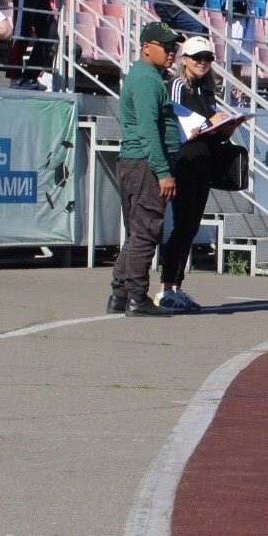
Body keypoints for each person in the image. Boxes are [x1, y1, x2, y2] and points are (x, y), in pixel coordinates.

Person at [156, 36, 239, 312]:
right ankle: (166, 287)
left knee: (190, 226)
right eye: (197, 58)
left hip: (202, 162)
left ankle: (176, 286)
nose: (203, 63)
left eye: (208, 58)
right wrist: (209, 121)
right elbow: (181, 121)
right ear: (185, 60)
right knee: (182, 225)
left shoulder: (207, 89)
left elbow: (206, 130)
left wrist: (225, 128)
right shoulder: (178, 85)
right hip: (184, 163)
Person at [109, 23, 183, 317]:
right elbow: (148, 130)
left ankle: (120, 294)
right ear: (146, 46)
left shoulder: (146, 77)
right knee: (146, 232)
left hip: (136, 162)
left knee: (136, 233)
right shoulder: (147, 80)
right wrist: (163, 171)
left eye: (174, 48)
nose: (172, 53)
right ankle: (137, 297)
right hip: (145, 165)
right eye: (167, 47)